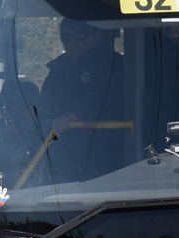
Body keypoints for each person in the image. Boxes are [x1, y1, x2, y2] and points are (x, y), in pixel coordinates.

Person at [36, 20, 126, 180]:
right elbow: (43, 110)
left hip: (107, 152)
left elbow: (110, 101)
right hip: (63, 158)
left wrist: (74, 116)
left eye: (80, 36)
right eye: (67, 37)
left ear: (97, 35)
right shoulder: (57, 71)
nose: (73, 43)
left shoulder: (114, 67)